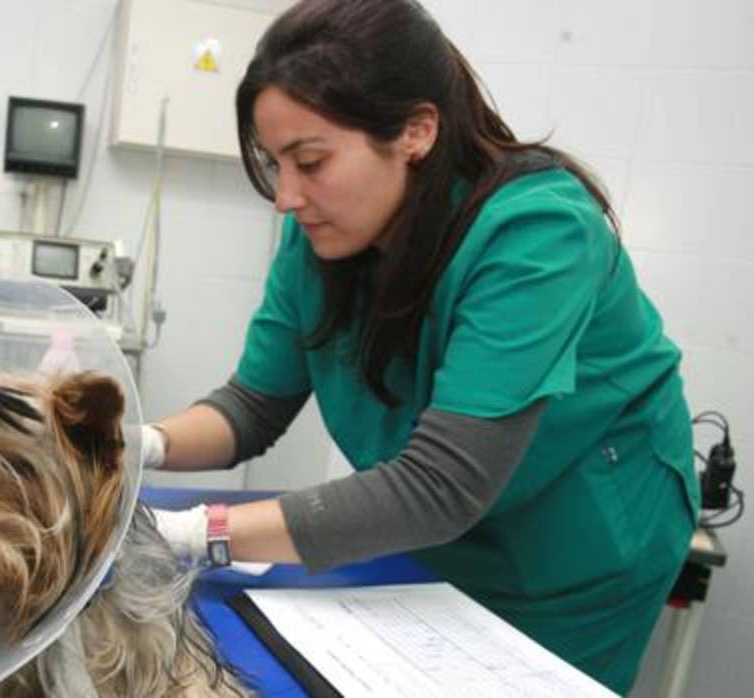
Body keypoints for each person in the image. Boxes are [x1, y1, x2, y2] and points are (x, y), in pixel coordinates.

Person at [144, 0, 699, 693]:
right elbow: (253, 405)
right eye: (274, 162)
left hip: (577, 548)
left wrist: (194, 533)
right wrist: (139, 444)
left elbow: (441, 485)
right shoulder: (320, 234)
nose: (286, 196)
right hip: (438, 529)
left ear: (416, 130)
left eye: (310, 161)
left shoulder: (539, 233)